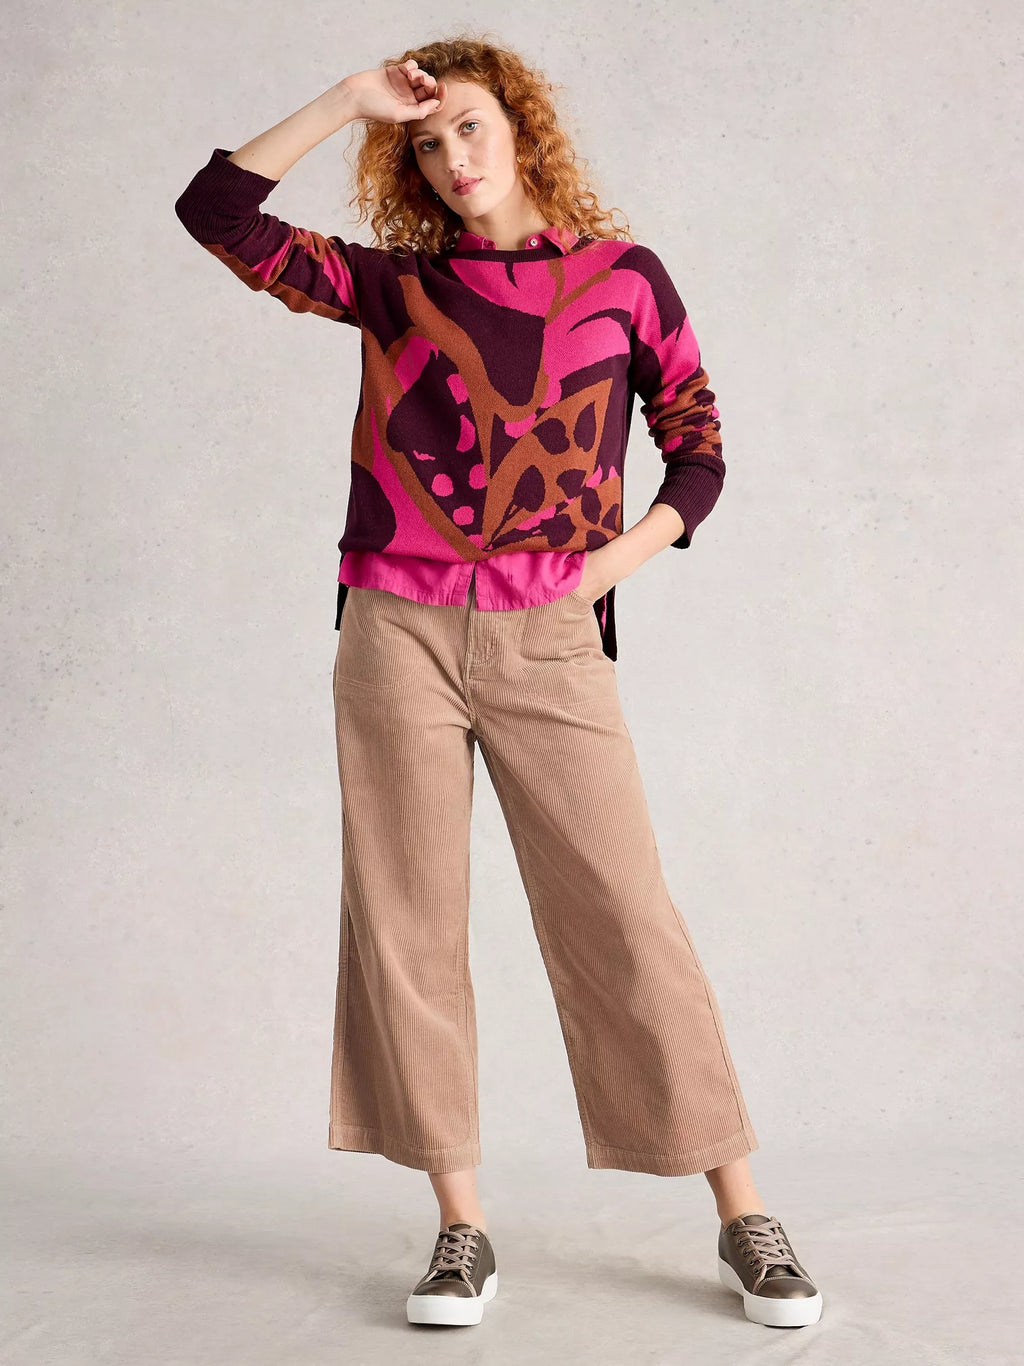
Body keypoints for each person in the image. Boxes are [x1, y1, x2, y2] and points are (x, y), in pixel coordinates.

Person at [174, 36, 823, 1332]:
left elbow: (697, 442)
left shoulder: (624, 278)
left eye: (470, 126)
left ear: (522, 130)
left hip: (549, 633)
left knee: (625, 914)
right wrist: (350, 100)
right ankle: (459, 1227)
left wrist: (608, 566)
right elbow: (217, 213)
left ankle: (742, 1210)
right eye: (425, 143)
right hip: (397, 629)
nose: (451, 157)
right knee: (408, 923)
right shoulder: (393, 288)